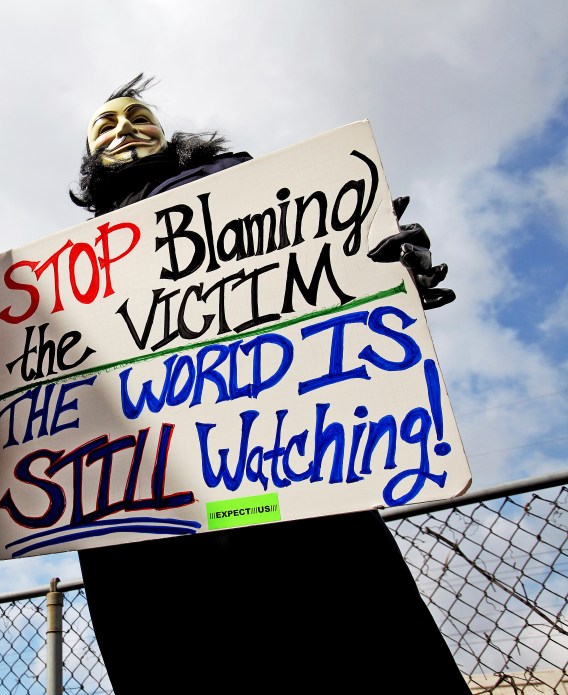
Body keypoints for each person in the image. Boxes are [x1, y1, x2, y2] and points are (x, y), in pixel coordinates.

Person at [66, 75, 469, 694]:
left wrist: (375, 268)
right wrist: (12, 394)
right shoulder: (67, 269)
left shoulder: (242, 186)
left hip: (282, 472)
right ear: (91, 158)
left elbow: (319, 268)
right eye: (105, 125)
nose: (124, 129)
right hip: (146, 509)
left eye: (138, 116)